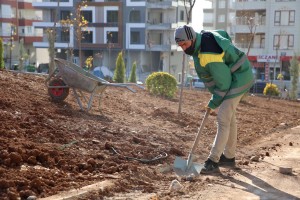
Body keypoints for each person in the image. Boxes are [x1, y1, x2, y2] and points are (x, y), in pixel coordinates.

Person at [174, 25, 254, 174]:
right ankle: (228, 158)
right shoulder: (204, 37)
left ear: (192, 38)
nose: (184, 49)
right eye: (181, 46)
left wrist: (213, 102)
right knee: (229, 119)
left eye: (185, 44)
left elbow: (223, 84)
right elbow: (223, 33)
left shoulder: (208, 53)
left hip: (238, 78)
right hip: (235, 76)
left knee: (223, 119)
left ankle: (213, 161)